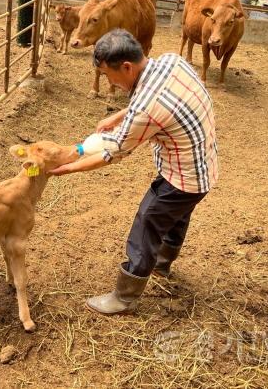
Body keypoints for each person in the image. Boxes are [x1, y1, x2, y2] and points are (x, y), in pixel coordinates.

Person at [50, 29, 218, 315]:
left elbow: (112, 153)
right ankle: (163, 263)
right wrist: (118, 115)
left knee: (148, 220)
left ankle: (125, 297)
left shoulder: (145, 111)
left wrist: (67, 168)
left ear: (126, 67)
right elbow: (150, 97)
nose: (108, 81)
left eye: (107, 75)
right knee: (176, 216)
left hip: (183, 176)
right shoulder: (171, 61)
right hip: (204, 165)